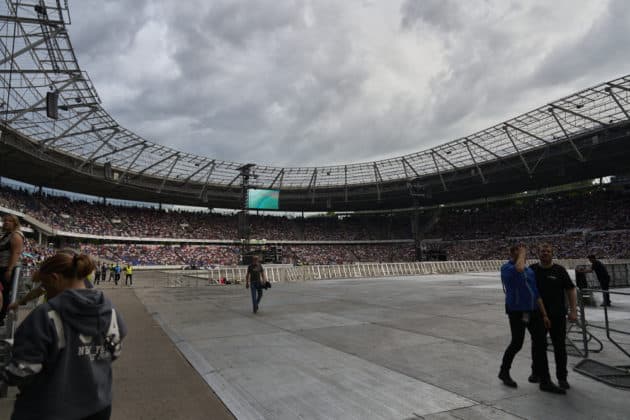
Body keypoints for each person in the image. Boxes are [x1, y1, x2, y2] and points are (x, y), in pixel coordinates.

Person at [1, 252, 127, 420]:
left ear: (55, 278)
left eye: (45, 285)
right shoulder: (110, 311)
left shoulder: (44, 316)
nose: (46, 292)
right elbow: (115, 352)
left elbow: (23, 371)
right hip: (98, 405)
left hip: (49, 409)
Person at [498, 244, 565, 394]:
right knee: (517, 343)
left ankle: (545, 381)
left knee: (541, 343)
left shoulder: (529, 271)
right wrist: (521, 253)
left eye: (522, 251)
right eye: (517, 250)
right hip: (516, 311)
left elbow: (536, 294)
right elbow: (519, 269)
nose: (522, 253)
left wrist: (545, 314)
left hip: (533, 311)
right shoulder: (507, 268)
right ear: (511, 253)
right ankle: (504, 371)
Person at [529, 243, 577, 390]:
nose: (545, 253)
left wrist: (573, 310)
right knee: (538, 346)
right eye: (542, 251)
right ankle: (537, 372)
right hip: (537, 316)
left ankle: (562, 377)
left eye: (548, 251)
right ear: (538, 253)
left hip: (557, 315)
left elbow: (571, 289)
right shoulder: (532, 270)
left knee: (559, 347)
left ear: (552, 254)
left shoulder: (559, 270)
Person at [0, 214, 25, 325]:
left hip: (7, 268)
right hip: (2, 267)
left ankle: (1, 318)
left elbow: (16, 253)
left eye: (9, 221)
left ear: (15, 223)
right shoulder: (6, 234)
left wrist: (9, 270)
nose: (6, 222)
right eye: (4, 220)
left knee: (4, 293)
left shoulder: (16, 235)